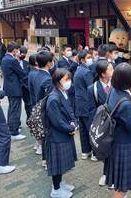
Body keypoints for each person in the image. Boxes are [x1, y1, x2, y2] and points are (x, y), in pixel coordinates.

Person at [104, 63, 131, 198]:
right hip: (124, 143)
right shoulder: (125, 103)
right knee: (122, 186)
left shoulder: (113, 90)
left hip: (114, 140)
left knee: (119, 182)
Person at [46, 68, 78, 198]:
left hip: (63, 134)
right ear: (58, 81)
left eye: (70, 79)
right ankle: (56, 189)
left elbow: (69, 111)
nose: (69, 82)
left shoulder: (62, 92)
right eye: (66, 79)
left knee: (62, 163)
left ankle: (60, 183)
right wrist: (71, 128)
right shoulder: (54, 98)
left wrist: (74, 123)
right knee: (57, 164)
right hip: (56, 137)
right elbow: (57, 122)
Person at [87, 60, 114, 186]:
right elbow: (91, 110)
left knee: (115, 151)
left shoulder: (115, 85)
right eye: (110, 69)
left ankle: (113, 174)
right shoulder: (93, 89)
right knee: (105, 151)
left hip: (114, 125)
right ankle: (105, 173)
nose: (113, 71)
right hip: (103, 126)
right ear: (103, 74)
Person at [1, 42, 27, 140]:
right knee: (16, 110)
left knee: (11, 108)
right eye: (18, 50)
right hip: (15, 88)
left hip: (8, 87)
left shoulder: (4, 58)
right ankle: (14, 132)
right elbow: (22, 73)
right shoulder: (12, 60)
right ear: (15, 50)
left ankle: (11, 127)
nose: (19, 52)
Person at [73, 50, 94, 160]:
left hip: (80, 104)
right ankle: (94, 152)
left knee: (83, 130)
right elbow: (90, 89)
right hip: (87, 105)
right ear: (82, 60)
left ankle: (85, 151)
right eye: (89, 57)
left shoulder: (78, 70)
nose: (91, 59)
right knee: (90, 128)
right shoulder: (86, 72)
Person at [33, 50, 54, 157]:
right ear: (48, 63)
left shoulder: (37, 75)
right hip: (45, 111)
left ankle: (45, 160)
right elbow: (49, 100)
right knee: (47, 137)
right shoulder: (47, 79)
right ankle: (46, 160)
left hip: (38, 107)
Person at [18, 46, 32, 119]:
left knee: (28, 104)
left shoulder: (26, 63)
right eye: (22, 53)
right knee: (17, 106)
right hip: (17, 87)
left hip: (26, 87)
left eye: (25, 54)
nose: (23, 55)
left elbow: (29, 74)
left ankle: (29, 119)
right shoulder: (14, 63)